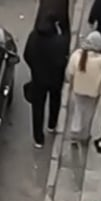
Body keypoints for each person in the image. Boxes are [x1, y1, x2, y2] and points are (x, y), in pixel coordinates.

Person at [24, 19, 70, 147]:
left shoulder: (33, 38)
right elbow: (63, 61)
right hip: (55, 79)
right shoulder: (59, 42)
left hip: (38, 79)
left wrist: (35, 68)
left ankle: (38, 139)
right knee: (55, 100)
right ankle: (52, 124)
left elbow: (26, 55)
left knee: (37, 108)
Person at [65, 31, 101, 143]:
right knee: (89, 114)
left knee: (78, 111)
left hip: (78, 89)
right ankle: (84, 135)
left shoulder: (77, 56)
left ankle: (74, 133)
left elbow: (70, 73)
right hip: (93, 92)